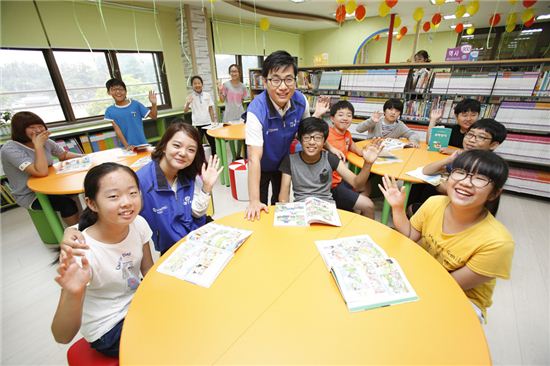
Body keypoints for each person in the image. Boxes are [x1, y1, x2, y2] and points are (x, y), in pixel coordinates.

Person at [379, 150, 514, 322]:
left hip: (462, 299)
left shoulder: (498, 243)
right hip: (425, 275)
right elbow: (410, 235)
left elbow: (447, 285)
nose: (466, 182)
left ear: (494, 193)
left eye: (480, 178)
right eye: (460, 173)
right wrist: (398, 208)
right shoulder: (435, 203)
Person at [61, 120, 222, 256]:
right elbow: (112, 210)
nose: (183, 153)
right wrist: (73, 229)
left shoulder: (188, 173)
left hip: (197, 234)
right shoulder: (141, 182)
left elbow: (195, 212)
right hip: (173, 246)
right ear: (164, 146)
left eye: (191, 149)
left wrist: (206, 188)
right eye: (177, 145)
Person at [51, 162, 154, 357]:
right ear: (91, 203)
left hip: (137, 303)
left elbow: (147, 270)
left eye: (133, 193)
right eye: (113, 196)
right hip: (108, 327)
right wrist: (72, 293)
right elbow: (62, 336)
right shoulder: (82, 251)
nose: (127, 202)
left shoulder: (138, 224)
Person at [244, 50, 342, 220]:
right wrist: (253, 201)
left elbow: (307, 131)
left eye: (288, 79)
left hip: (284, 163)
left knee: (279, 204)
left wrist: (330, 147)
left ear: (295, 80)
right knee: (259, 207)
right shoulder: (256, 110)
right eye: (275, 80)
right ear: (265, 82)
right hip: (261, 165)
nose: (283, 87)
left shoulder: (300, 100)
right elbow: (254, 158)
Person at [278, 117, 382, 218]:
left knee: (367, 206)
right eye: (307, 137)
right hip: (301, 207)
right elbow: (284, 192)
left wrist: (367, 163)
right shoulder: (290, 160)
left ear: (324, 142)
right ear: (300, 140)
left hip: (326, 208)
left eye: (317, 138)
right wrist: (286, 214)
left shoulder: (330, 158)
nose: (312, 142)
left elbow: (357, 184)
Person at [408, 118, 508, 216]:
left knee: (415, 202)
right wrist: (448, 160)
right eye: (470, 134)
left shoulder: (487, 166)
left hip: (462, 210)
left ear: (493, 144)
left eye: (481, 137)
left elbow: (449, 189)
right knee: (419, 184)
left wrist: (440, 184)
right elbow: (426, 171)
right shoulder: (463, 157)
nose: (472, 140)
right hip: (450, 201)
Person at [0, 111, 80, 225]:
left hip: (51, 184)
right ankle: (77, 236)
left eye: (40, 126)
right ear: (19, 130)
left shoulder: (45, 141)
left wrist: (86, 157)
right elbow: (40, 172)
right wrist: (38, 146)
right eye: (32, 127)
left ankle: (86, 223)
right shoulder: (10, 149)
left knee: (88, 187)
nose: (38, 130)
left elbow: (63, 155)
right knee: (66, 204)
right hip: (30, 194)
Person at [327, 101, 377, 218]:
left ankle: (354, 210)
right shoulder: (327, 134)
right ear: (332, 118)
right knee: (369, 205)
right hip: (332, 184)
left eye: (349, 115)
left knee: (367, 185)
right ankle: (353, 208)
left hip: (342, 178)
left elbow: (355, 148)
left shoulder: (347, 134)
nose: (345, 118)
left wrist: (365, 151)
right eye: (341, 115)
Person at [104, 78, 158, 150]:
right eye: (114, 89)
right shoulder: (110, 111)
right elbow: (117, 130)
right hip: (126, 147)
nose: (118, 92)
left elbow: (154, 116)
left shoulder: (136, 104)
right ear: (109, 92)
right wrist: (127, 146)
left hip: (142, 144)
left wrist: (153, 104)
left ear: (126, 92)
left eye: (121, 89)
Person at [355, 98, 420, 147]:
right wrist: (371, 121)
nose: (393, 113)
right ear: (384, 111)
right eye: (390, 109)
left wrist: (413, 141)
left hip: (389, 154)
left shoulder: (400, 125)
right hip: (371, 150)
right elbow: (358, 129)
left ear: (400, 114)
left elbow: (413, 134)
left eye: (397, 111)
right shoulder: (376, 121)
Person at [184, 75, 217, 155]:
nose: (197, 85)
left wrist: (213, 122)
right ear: (192, 86)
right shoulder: (190, 97)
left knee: (212, 143)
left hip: (208, 123)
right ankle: (200, 160)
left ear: (202, 84)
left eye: (199, 83)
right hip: (197, 124)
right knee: (198, 144)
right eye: (195, 83)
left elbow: (210, 109)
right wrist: (188, 102)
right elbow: (185, 111)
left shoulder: (207, 95)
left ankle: (214, 158)